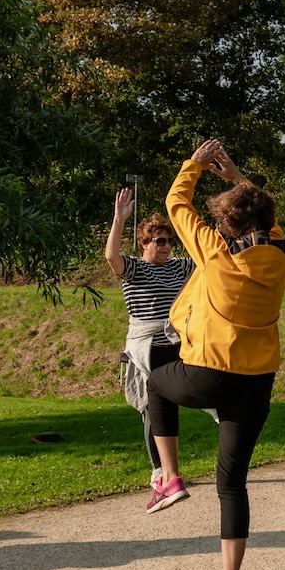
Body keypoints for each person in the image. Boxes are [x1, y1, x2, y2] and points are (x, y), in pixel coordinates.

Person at [145, 139, 285, 570]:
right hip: (257, 381)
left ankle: (169, 478)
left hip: (208, 371)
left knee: (156, 382)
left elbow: (176, 203)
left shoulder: (214, 250)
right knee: (232, 483)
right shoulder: (282, 257)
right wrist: (239, 179)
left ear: (228, 226)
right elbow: (267, 219)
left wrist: (193, 165)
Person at [105, 189, 197, 491]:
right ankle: (159, 470)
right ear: (144, 243)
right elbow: (111, 257)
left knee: (172, 406)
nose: (167, 246)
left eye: (169, 241)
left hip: (176, 346)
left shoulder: (178, 267)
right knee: (151, 409)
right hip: (147, 349)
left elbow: (206, 259)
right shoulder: (135, 268)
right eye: (160, 241)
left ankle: (170, 470)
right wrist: (119, 220)